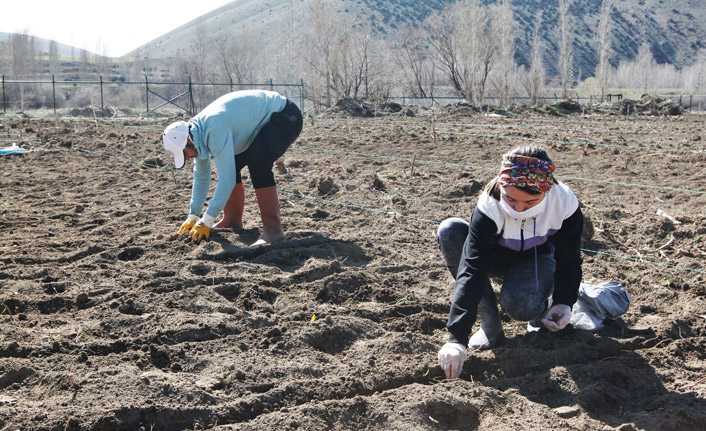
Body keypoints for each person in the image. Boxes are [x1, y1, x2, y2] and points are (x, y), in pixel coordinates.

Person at [436, 145, 583, 380]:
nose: (518, 210)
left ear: (547, 191)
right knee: (450, 231)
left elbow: (569, 257)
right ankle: (490, 325)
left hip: (536, 258)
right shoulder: (490, 204)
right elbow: (471, 268)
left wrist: (564, 301)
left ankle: (541, 307)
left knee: (522, 306)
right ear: (502, 185)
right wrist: (456, 339)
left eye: (530, 202)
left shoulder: (563, 202)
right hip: (495, 256)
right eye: (511, 199)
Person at [162, 89, 303, 247]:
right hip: (260, 123)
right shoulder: (196, 133)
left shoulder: (214, 129)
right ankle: (232, 219)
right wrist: (193, 216)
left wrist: (207, 219)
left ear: (189, 141)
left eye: (184, 153)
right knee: (232, 163)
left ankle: (274, 231)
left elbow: (227, 180)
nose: (187, 159)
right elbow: (201, 176)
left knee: (258, 161)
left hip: (284, 116)